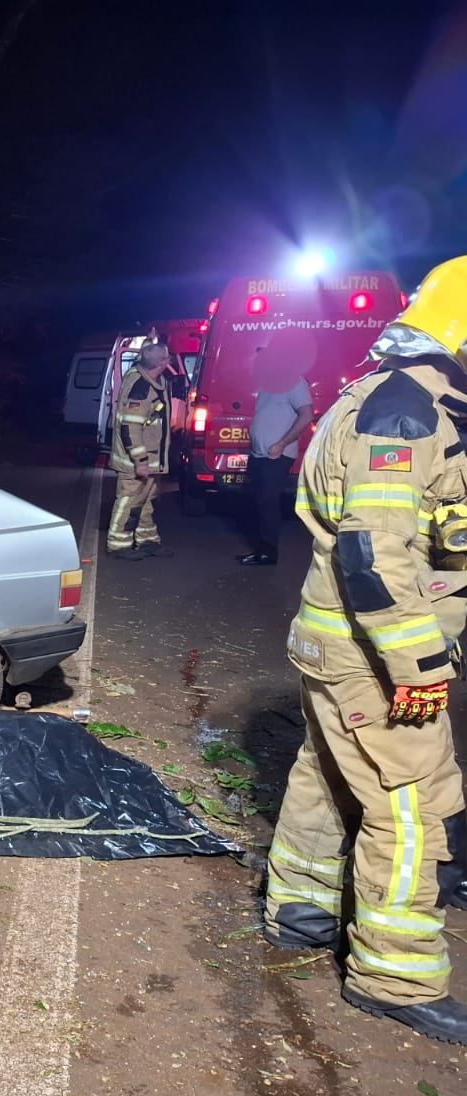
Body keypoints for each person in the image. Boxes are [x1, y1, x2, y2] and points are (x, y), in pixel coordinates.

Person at [263, 255, 467, 1044]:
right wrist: (418, 667)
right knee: (411, 805)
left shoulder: (397, 397)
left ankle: (301, 911)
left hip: (336, 642)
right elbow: (373, 554)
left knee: (324, 776)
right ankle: (394, 976)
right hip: (372, 653)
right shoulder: (405, 416)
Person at [238, 368, 314, 566]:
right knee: (261, 503)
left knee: (268, 502)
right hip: (259, 455)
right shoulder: (267, 385)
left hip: (277, 455)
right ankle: (261, 549)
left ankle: (268, 553)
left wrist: (282, 444)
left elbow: (307, 415)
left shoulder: (293, 381)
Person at [105, 341, 174, 560]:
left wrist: (150, 341)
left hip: (151, 459)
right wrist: (140, 461)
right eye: (168, 357)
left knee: (146, 502)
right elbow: (130, 427)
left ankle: (147, 541)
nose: (170, 359)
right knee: (129, 501)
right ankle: (118, 544)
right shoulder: (141, 387)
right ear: (162, 363)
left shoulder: (146, 375)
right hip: (137, 462)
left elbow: (145, 356)